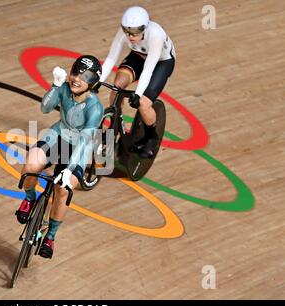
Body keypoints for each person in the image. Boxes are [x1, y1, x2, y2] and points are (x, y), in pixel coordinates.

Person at [14, 55, 104, 259]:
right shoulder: (64, 88)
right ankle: (29, 200)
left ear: (93, 83)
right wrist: (54, 85)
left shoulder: (95, 107)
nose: (76, 79)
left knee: (63, 190)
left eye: (84, 76)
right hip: (57, 136)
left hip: (78, 149)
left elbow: (84, 141)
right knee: (31, 165)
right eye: (75, 73)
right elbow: (45, 108)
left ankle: (51, 237)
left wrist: (71, 169)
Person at [100, 6, 176, 158]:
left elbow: (148, 70)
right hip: (138, 56)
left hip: (161, 62)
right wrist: (99, 80)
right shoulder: (125, 32)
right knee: (116, 88)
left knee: (143, 103)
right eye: (127, 32)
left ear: (145, 28)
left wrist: (138, 94)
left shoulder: (155, 35)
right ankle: (115, 124)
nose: (130, 36)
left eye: (135, 33)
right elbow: (111, 58)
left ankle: (151, 137)